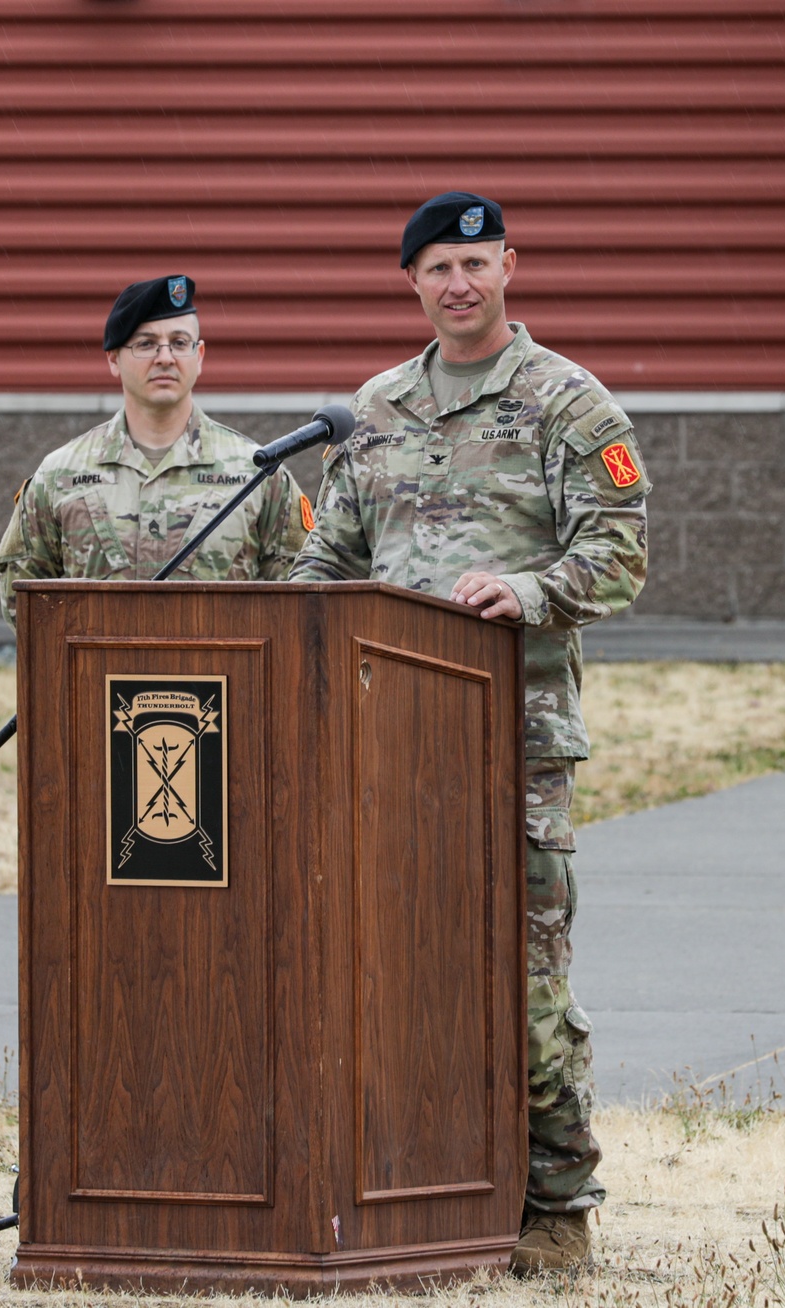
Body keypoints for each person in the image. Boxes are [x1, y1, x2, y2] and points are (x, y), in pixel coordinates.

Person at [289, 192, 651, 1275]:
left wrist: (531, 591)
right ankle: (415, 1186)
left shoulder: (567, 404)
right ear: (412, 282)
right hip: (380, 737)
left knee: (524, 975)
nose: (459, 283)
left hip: (512, 739)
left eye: (477, 264)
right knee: (386, 966)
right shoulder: (375, 407)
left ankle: (556, 1206)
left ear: (509, 268)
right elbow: (329, 562)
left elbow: (622, 556)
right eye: (439, 267)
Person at [0, 275, 313, 623]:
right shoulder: (59, 475)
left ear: (199, 355)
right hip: (95, 676)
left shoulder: (257, 472)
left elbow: (297, 600)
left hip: (224, 677)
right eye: (146, 344)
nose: (165, 358)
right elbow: (22, 608)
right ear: (113, 359)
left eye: (179, 342)